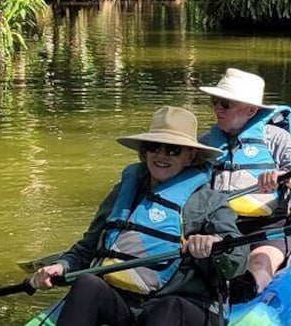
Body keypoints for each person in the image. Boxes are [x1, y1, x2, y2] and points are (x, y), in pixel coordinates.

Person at [28, 106, 249, 326]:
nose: (162, 155)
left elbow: (237, 260)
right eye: (154, 147)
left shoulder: (211, 201)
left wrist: (216, 244)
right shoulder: (124, 192)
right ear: (144, 152)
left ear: (190, 157)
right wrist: (63, 266)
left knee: (166, 309)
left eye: (173, 150)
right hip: (127, 304)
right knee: (87, 283)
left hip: (183, 306)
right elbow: (89, 246)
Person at [199, 67, 291, 301]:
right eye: (215, 101)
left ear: (251, 110)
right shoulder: (205, 144)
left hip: (267, 228)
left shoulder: (276, 138)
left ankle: (247, 288)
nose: (216, 108)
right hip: (219, 227)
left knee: (262, 262)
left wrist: (284, 177)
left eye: (225, 103)